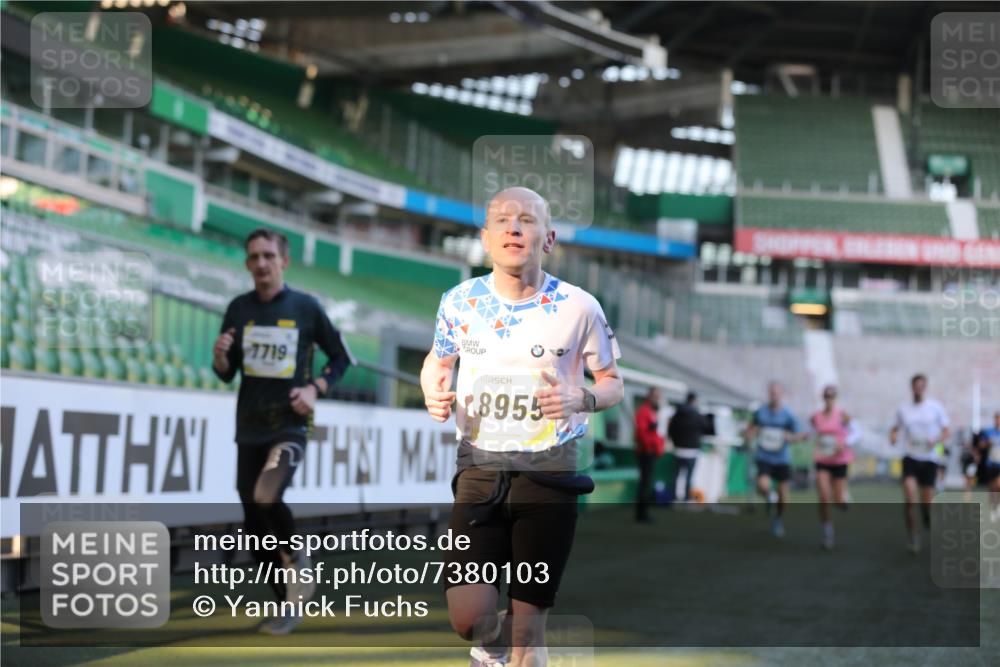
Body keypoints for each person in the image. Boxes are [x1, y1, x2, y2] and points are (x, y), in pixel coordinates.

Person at [421, 187, 623, 667]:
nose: (514, 227)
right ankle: (489, 646)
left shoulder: (579, 308)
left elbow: (614, 383)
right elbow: (437, 360)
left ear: (547, 238)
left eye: (527, 220)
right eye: (503, 220)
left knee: (529, 632)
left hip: (549, 472)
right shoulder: (459, 302)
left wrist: (583, 397)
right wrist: (433, 386)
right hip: (479, 468)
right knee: (469, 618)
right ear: (486, 238)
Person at [213, 228, 354, 634]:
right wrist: (219, 356)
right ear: (247, 263)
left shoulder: (306, 308)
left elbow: (341, 357)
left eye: (268, 256)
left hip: (289, 426)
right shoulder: (238, 309)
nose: (261, 263)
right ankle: (285, 604)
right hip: (249, 427)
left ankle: (298, 558)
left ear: (283, 261)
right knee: (254, 523)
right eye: (254, 256)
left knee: (266, 495)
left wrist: (315, 388)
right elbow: (225, 374)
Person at [889, 373, 950, 554]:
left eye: (922, 386)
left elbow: (947, 430)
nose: (918, 389)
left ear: (925, 387)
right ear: (912, 387)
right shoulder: (903, 409)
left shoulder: (935, 407)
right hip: (910, 457)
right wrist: (893, 435)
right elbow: (895, 427)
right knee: (909, 498)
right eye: (916, 386)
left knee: (928, 503)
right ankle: (913, 536)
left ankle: (927, 516)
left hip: (929, 458)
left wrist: (937, 440)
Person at [744, 381, 806, 538]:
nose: (774, 396)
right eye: (772, 393)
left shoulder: (788, 415)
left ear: (782, 394)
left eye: (777, 393)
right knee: (762, 485)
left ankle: (778, 520)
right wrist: (749, 433)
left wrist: (790, 437)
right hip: (764, 456)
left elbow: (798, 435)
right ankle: (770, 498)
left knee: (783, 495)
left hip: (782, 459)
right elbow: (751, 427)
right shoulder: (761, 412)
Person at [810, 385, 854, 549]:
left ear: (836, 398)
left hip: (839, 460)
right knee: (823, 496)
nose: (829, 398)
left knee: (838, 500)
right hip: (822, 459)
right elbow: (812, 431)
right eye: (827, 396)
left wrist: (845, 443)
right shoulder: (816, 416)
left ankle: (844, 498)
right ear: (823, 398)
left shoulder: (843, 415)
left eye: (832, 396)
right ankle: (827, 531)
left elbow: (856, 431)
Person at [667, 391, 705, 504]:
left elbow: (671, 430)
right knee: (689, 477)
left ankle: (673, 498)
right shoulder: (697, 414)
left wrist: (674, 441)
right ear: (694, 400)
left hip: (678, 449)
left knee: (675, 475)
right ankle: (686, 499)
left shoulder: (677, 414)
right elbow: (704, 428)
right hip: (692, 451)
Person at [634, 387, 665, 522]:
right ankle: (642, 514)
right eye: (655, 396)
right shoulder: (644, 411)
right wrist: (650, 447)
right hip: (646, 452)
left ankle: (643, 513)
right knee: (644, 483)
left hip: (650, 451)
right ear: (649, 397)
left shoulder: (651, 412)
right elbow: (642, 433)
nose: (657, 399)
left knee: (646, 482)